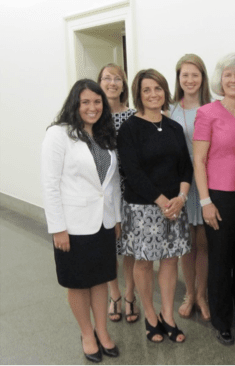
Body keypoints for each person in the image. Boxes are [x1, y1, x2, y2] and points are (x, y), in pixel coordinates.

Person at [41, 79, 121, 362]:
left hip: (103, 222)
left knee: (100, 280)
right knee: (77, 283)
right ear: (75, 104)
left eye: (97, 102)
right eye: (85, 102)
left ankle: (102, 330)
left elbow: (111, 185)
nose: (92, 107)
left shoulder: (103, 135)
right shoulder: (59, 134)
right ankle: (87, 333)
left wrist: (117, 218)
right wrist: (58, 228)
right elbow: (50, 185)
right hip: (72, 225)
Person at [117, 69, 192, 343]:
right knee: (145, 262)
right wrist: (162, 202)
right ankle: (150, 315)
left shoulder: (174, 127)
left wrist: (181, 198)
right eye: (147, 90)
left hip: (175, 206)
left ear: (165, 92)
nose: (153, 94)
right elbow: (132, 172)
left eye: (158, 89)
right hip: (144, 208)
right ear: (138, 94)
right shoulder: (129, 128)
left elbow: (186, 167)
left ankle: (168, 316)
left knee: (171, 260)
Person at [193, 53, 235, 345]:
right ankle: (222, 321)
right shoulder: (207, 113)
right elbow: (198, 161)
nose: (234, 80)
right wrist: (205, 201)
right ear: (220, 79)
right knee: (220, 261)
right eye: (228, 75)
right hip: (218, 197)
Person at [169, 54, 212, 322]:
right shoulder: (170, 109)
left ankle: (202, 295)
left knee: (204, 243)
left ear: (203, 78)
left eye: (195, 74)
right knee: (186, 244)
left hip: (207, 183)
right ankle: (188, 294)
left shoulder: (213, 108)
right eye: (185, 75)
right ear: (178, 79)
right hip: (181, 185)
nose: (190, 79)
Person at [97, 63, 139, 324]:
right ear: (98, 82)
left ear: (124, 85)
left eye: (117, 79)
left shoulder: (135, 116)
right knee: (109, 246)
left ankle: (131, 294)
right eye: (106, 78)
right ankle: (114, 295)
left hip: (132, 190)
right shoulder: (92, 116)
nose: (112, 83)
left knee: (130, 247)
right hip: (104, 192)